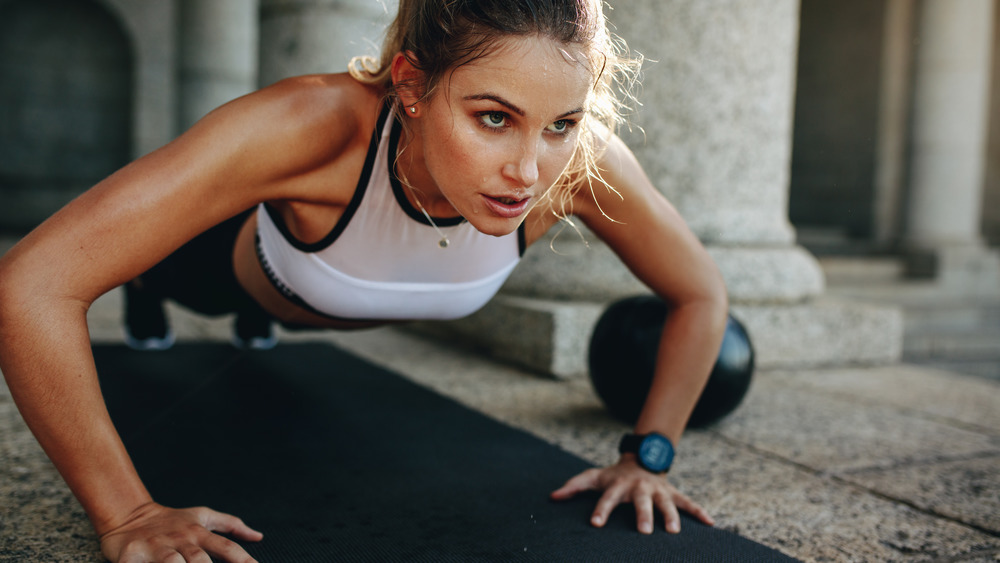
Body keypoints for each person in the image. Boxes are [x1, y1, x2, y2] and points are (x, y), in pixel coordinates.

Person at [0, 0, 729, 561]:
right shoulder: (308, 127)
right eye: (493, 117)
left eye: (561, 123)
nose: (529, 170)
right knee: (172, 271)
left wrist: (650, 452)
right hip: (237, 267)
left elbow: (700, 293)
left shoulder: (580, 166)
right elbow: (30, 283)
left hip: (320, 294)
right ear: (411, 84)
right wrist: (125, 516)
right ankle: (150, 284)